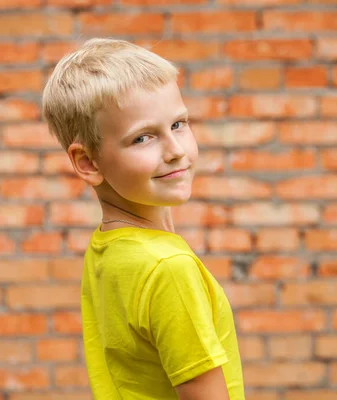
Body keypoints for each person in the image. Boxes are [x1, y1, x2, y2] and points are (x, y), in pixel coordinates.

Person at [42, 38, 244, 400]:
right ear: (88, 162)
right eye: (143, 138)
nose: (176, 150)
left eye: (179, 124)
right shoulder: (168, 268)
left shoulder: (108, 248)